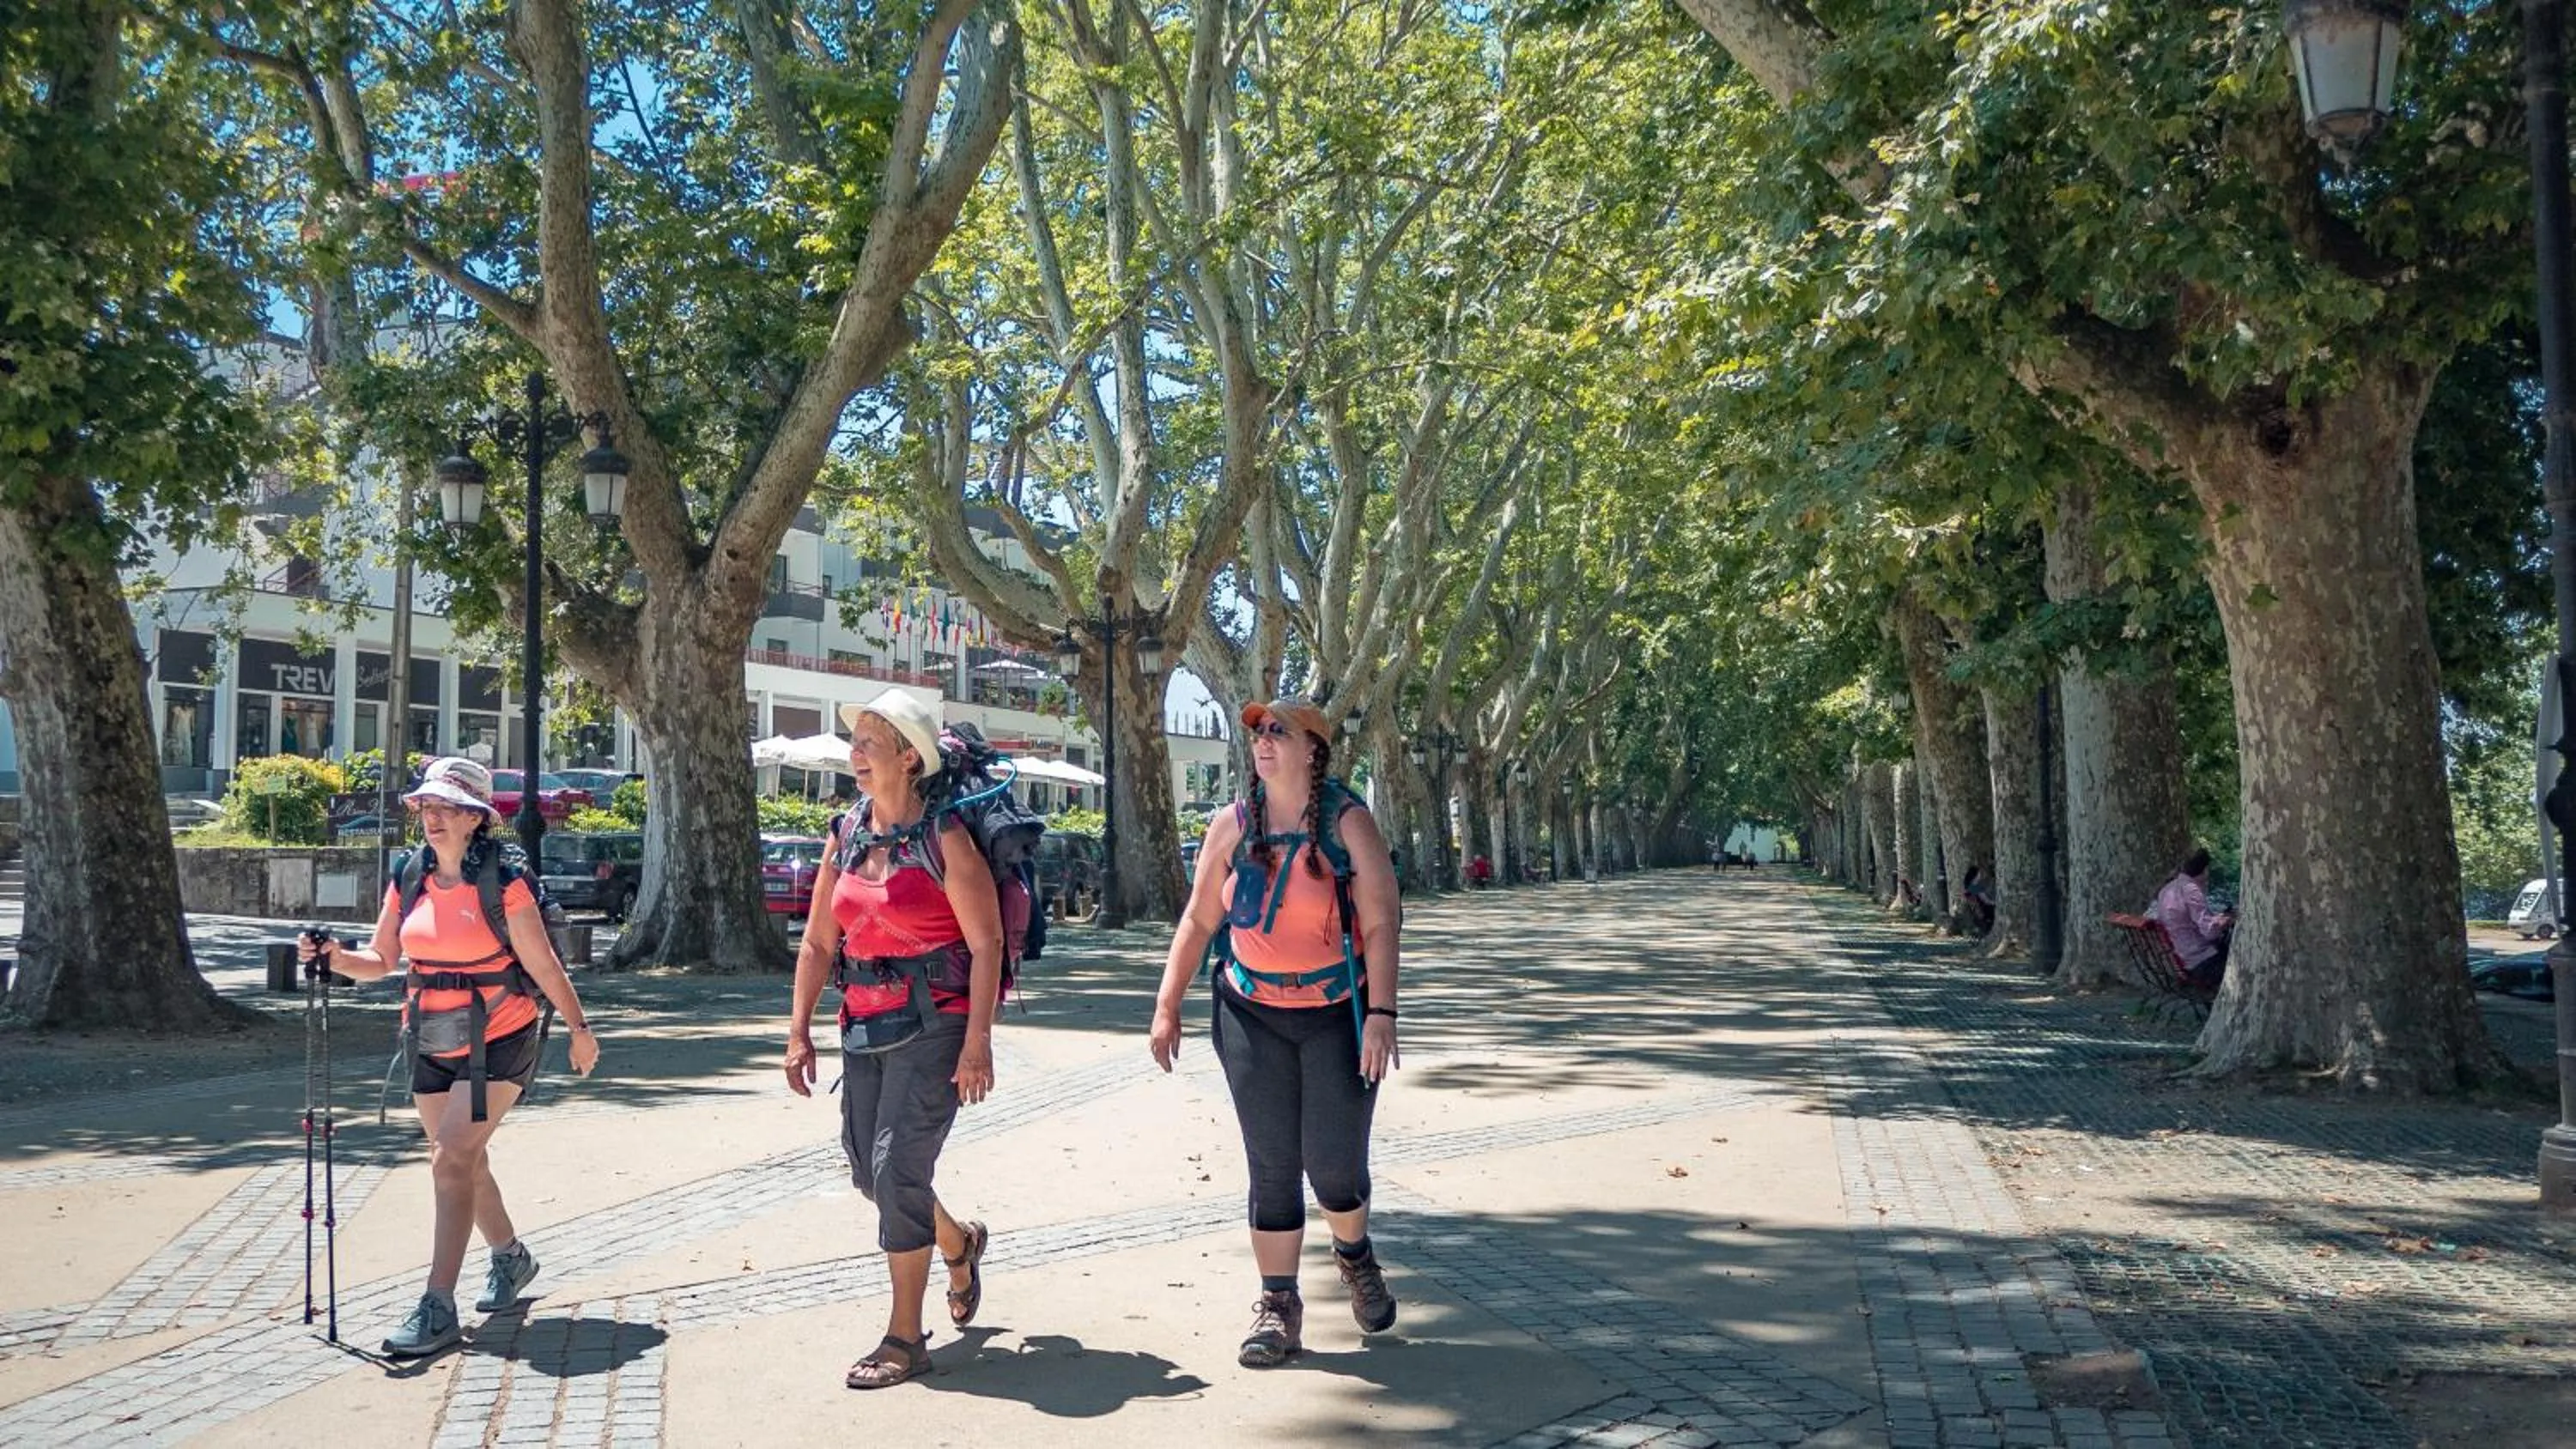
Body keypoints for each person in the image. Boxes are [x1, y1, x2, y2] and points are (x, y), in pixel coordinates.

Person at [297, 756, 600, 1357]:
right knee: (463, 1161)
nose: (432, 818)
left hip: (502, 1035)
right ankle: (511, 1257)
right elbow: (381, 963)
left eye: (446, 808)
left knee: (450, 1158)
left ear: (473, 819)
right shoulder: (408, 876)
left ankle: (438, 1304)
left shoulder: (504, 882)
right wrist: (330, 955)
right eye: (427, 807)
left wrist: (579, 1028)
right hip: (429, 1037)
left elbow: (542, 964)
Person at [1150, 697, 1405, 1367]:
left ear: (1312, 750)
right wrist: (1167, 1003)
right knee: (1271, 1163)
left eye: (1278, 732)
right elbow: (1200, 919)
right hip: (1249, 1011)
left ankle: (1354, 1255)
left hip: (1336, 1014)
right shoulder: (1231, 826)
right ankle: (1278, 1304)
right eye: (1259, 733)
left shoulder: (1349, 823)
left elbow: (1381, 923)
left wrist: (1382, 1015)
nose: (1263, 742)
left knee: (1332, 1166)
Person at [784, 689, 1002, 1391]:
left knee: (897, 1172)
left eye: (870, 740)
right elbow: (819, 941)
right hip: (863, 1024)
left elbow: (988, 941)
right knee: (867, 1172)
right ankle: (958, 1243)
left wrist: (978, 1043)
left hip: (934, 1024)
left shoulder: (946, 840)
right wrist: (798, 1033)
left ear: (909, 757)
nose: (856, 752)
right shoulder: (845, 832)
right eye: (856, 741)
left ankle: (904, 1338)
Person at [2151, 847, 2235, 989]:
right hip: (2201, 963)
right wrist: (2226, 920)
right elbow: (2210, 932)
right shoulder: (2191, 889)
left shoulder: (2167, 889)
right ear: (2205, 869)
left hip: (2182, 958)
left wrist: (2216, 919)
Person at [1962, 865, 1997, 933]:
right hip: (1985, 911)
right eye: (1979, 873)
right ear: (1975, 875)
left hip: (1976, 912)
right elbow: (1987, 901)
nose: (1980, 875)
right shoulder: (1977, 887)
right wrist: (1996, 903)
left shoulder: (1968, 888)